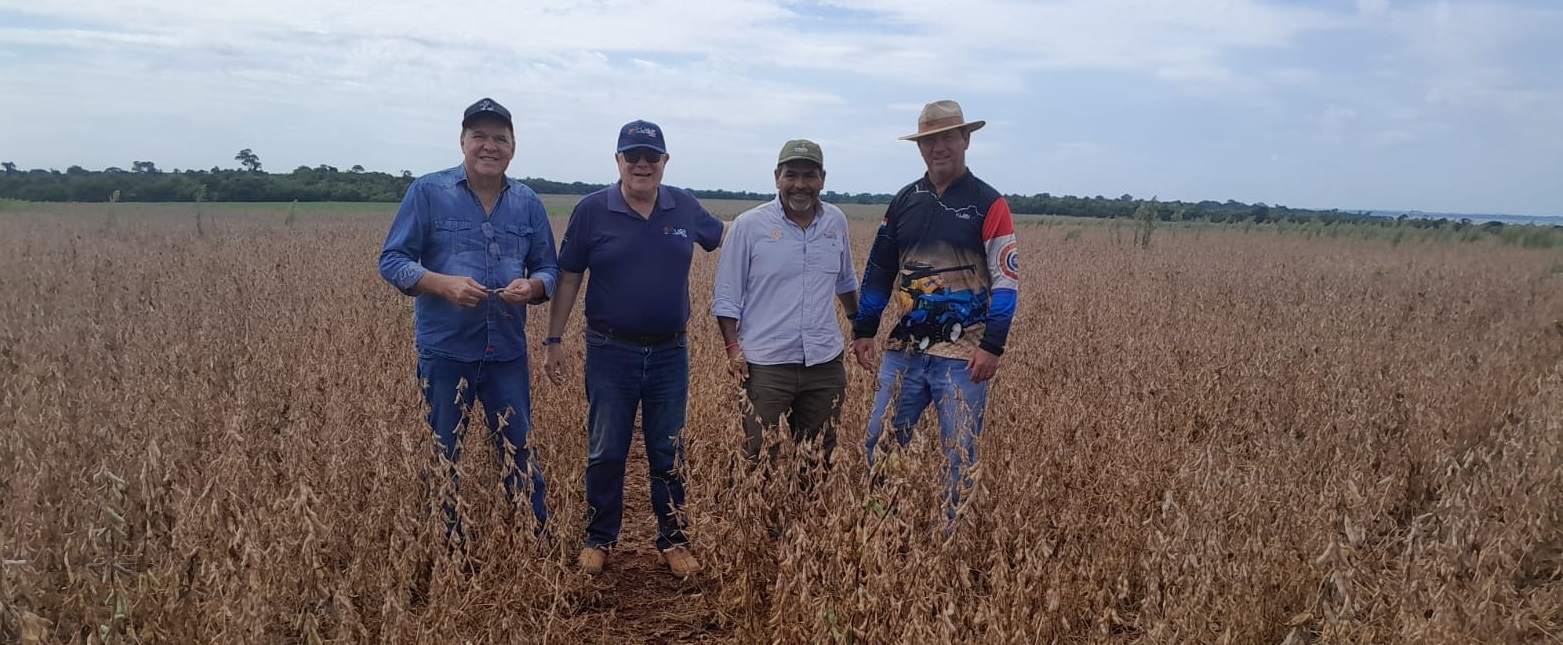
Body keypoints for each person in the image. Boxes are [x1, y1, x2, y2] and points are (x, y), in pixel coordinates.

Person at [543, 119, 724, 578]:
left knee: (669, 450)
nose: (642, 165)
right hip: (610, 350)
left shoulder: (683, 206)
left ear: (665, 162)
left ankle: (674, 539)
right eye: (633, 156)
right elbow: (568, 278)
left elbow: (731, 238)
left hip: (670, 352)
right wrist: (553, 339)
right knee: (606, 449)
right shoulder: (591, 211)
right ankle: (600, 538)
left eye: (651, 157)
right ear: (618, 160)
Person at [378, 97, 560, 541]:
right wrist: (442, 284)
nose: (489, 146)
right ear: (462, 141)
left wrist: (532, 288)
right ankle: (447, 545)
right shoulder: (428, 192)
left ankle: (534, 541)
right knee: (444, 451)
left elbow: (548, 269)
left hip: (507, 354)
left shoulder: (528, 203)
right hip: (446, 352)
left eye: (500, 138)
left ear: (513, 148)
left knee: (519, 449)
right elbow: (393, 260)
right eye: (479, 136)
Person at [849, 100, 1020, 524]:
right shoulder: (906, 200)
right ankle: (880, 523)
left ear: (965, 140)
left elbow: (1006, 281)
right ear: (920, 147)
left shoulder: (989, 203)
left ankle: (951, 537)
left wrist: (993, 346)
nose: (937, 148)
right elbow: (879, 270)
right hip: (903, 352)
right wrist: (864, 328)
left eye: (946, 137)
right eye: (928, 141)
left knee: (960, 452)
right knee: (880, 441)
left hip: (965, 359)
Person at [712, 139, 858, 470]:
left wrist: (859, 327)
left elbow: (846, 281)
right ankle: (763, 523)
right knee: (759, 457)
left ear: (823, 178)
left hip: (824, 363)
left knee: (818, 458)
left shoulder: (835, 222)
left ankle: (810, 522)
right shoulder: (750, 226)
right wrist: (733, 348)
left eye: (810, 175)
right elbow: (726, 297)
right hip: (766, 365)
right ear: (777, 176)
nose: (800, 185)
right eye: (791, 174)